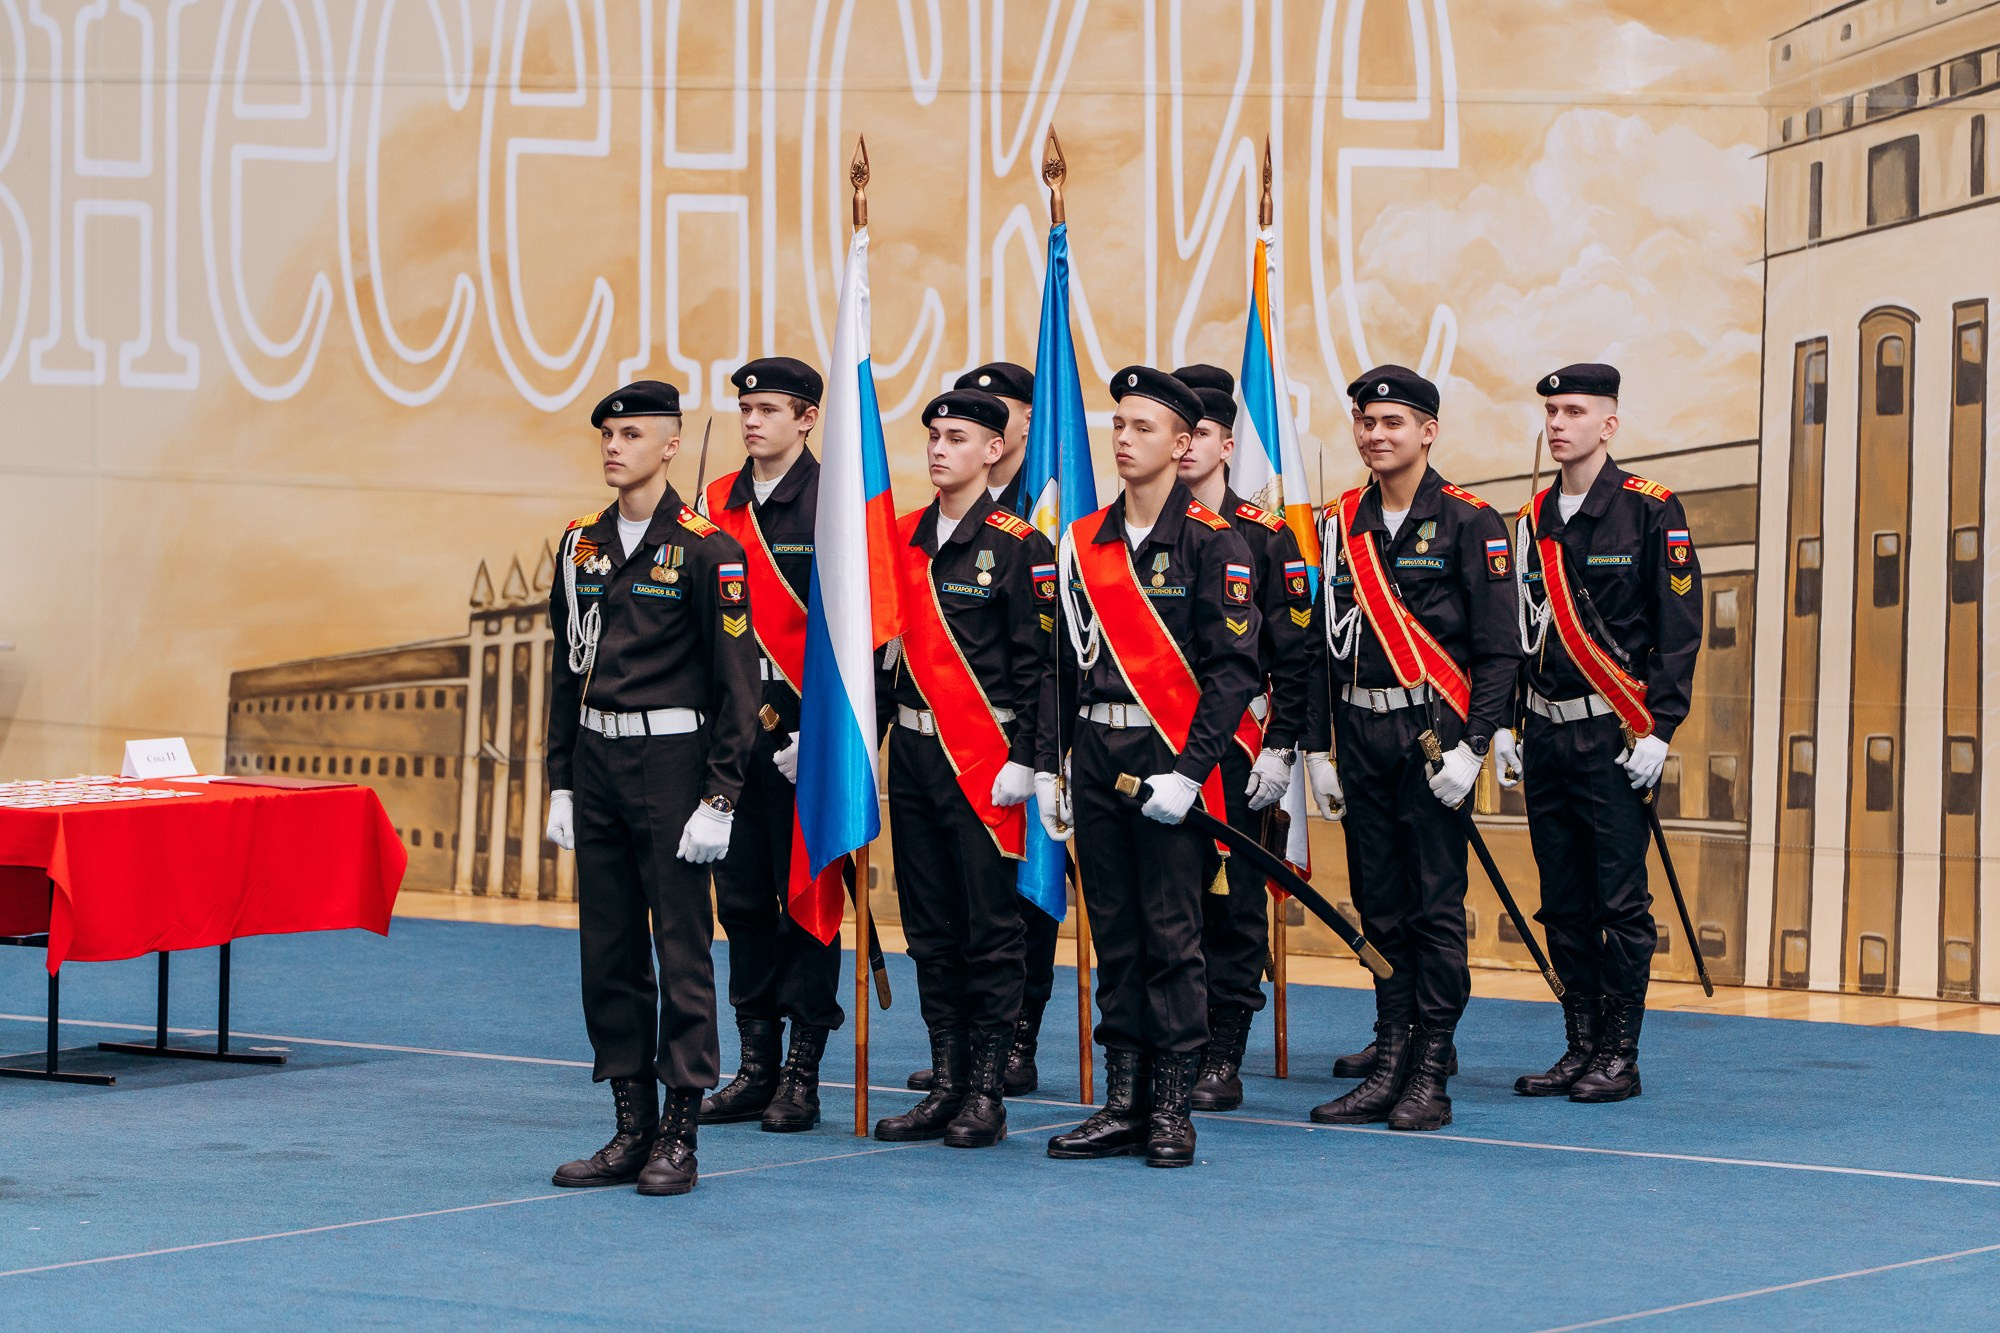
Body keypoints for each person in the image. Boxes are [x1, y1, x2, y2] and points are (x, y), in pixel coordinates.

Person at [1037, 366, 1261, 1167]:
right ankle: (1123, 1099)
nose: (1124, 439)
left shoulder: (1212, 540)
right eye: (1118, 425)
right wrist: (1047, 768)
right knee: (1117, 934)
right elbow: (1058, 665)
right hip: (1097, 753)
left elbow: (1233, 670)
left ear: (1181, 442)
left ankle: (1171, 1106)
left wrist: (1194, 772)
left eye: (1142, 427)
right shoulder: (1084, 540)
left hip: (1169, 760)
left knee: (1173, 935)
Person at [543, 380, 761, 1197]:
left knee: (682, 951)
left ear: (670, 445)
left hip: (673, 764)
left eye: (632, 434)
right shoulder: (579, 545)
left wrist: (720, 797)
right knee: (607, 952)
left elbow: (738, 687)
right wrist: (561, 778)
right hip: (598, 762)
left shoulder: (708, 548)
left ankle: (681, 1130)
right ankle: (630, 1124)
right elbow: (567, 670)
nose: (613, 446)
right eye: (607, 433)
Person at [1300, 366, 1520, 1132]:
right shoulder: (1338, 524)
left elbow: (1499, 653)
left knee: (1432, 908)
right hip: (1360, 733)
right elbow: (1320, 648)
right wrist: (1319, 748)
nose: (1375, 435)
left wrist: (1475, 749)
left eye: (1393, 422)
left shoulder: (1470, 521)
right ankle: (1389, 1054)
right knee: (1379, 905)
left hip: (1434, 738)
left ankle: (1430, 1070)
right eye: (1365, 421)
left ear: (1428, 430)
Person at [1502, 362, 1702, 1103]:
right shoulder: (1530, 523)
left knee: (1618, 902)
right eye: (1551, 411)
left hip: (1617, 737)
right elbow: (1519, 634)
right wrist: (1506, 724)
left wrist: (1663, 727)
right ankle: (1579, 1042)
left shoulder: (1650, 511)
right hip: (1548, 735)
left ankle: (1620, 1051)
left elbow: (1679, 631)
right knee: (1561, 897)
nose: (1558, 423)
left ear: (1608, 425)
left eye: (1574, 411)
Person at [873, 388, 1053, 1147]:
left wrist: (1028, 759)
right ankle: (944, 1082)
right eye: (934, 436)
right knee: (929, 928)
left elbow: (1045, 668)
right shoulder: (903, 538)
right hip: (913, 756)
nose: (940, 448)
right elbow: (880, 658)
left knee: (991, 930)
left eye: (958, 437)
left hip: (983, 761)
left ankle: (986, 1090)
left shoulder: (1019, 545)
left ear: (994, 449)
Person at [699, 357, 846, 1133]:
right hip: (729, 742)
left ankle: (802, 1073)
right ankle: (755, 1065)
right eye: (745, 407)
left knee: (808, 909)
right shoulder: (715, 502)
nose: (752, 420)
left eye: (768, 408)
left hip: (801, 740)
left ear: (807, 419)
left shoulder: (833, 502)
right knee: (746, 905)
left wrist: (822, 736)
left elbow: (853, 642)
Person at [1171, 369, 1319, 1112]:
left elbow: (1295, 653)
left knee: (1231, 907)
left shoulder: (1263, 536)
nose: (1187, 444)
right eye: (1179, 430)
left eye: (1200, 432)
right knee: (1168, 901)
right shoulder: (1142, 531)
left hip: (1238, 747)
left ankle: (1222, 1054)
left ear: (1226, 442)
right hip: (1161, 749)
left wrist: (1282, 745)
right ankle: (1175, 1045)